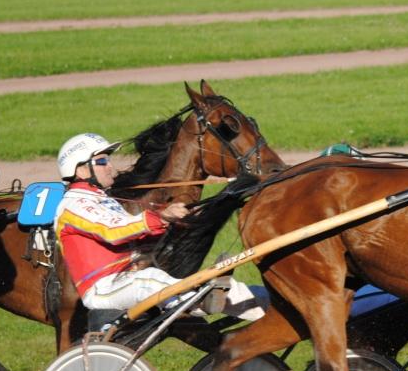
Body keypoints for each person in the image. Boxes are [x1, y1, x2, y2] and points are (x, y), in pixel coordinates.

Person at [54, 133, 264, 320]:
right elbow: (114, 231)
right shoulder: (73, 205)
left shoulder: (103, 199)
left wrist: (183, 220)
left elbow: (135, 236)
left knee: (221, 289)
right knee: (151, 281)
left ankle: (274, 304)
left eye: (108, 160)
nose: (110, 166)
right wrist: (162, 217)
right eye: (101, 161)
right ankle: (201, 299)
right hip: (103, 289)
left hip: (128, 277)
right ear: (81, 170)